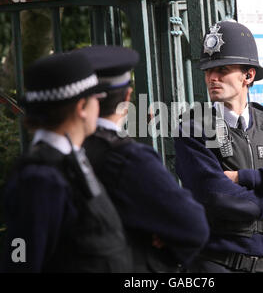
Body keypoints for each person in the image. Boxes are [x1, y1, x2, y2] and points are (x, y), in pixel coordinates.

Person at [174, 20, 263, 273]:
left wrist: (242, 177)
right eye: (207, 70)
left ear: (248, 76)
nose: (211, 77)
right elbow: (219, 198)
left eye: (222, 69)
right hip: (216, 264)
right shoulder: (193, 127)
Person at [79, 45, 210, 273]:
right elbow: (194, 227)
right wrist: (165, 241)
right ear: (127, 97)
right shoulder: (130, 157)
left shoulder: (56, 151)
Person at [0, 52, 131, 272]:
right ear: (82, 108)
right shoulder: (40, 178)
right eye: (96, 99)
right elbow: (20, 261)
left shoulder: (67, 161)